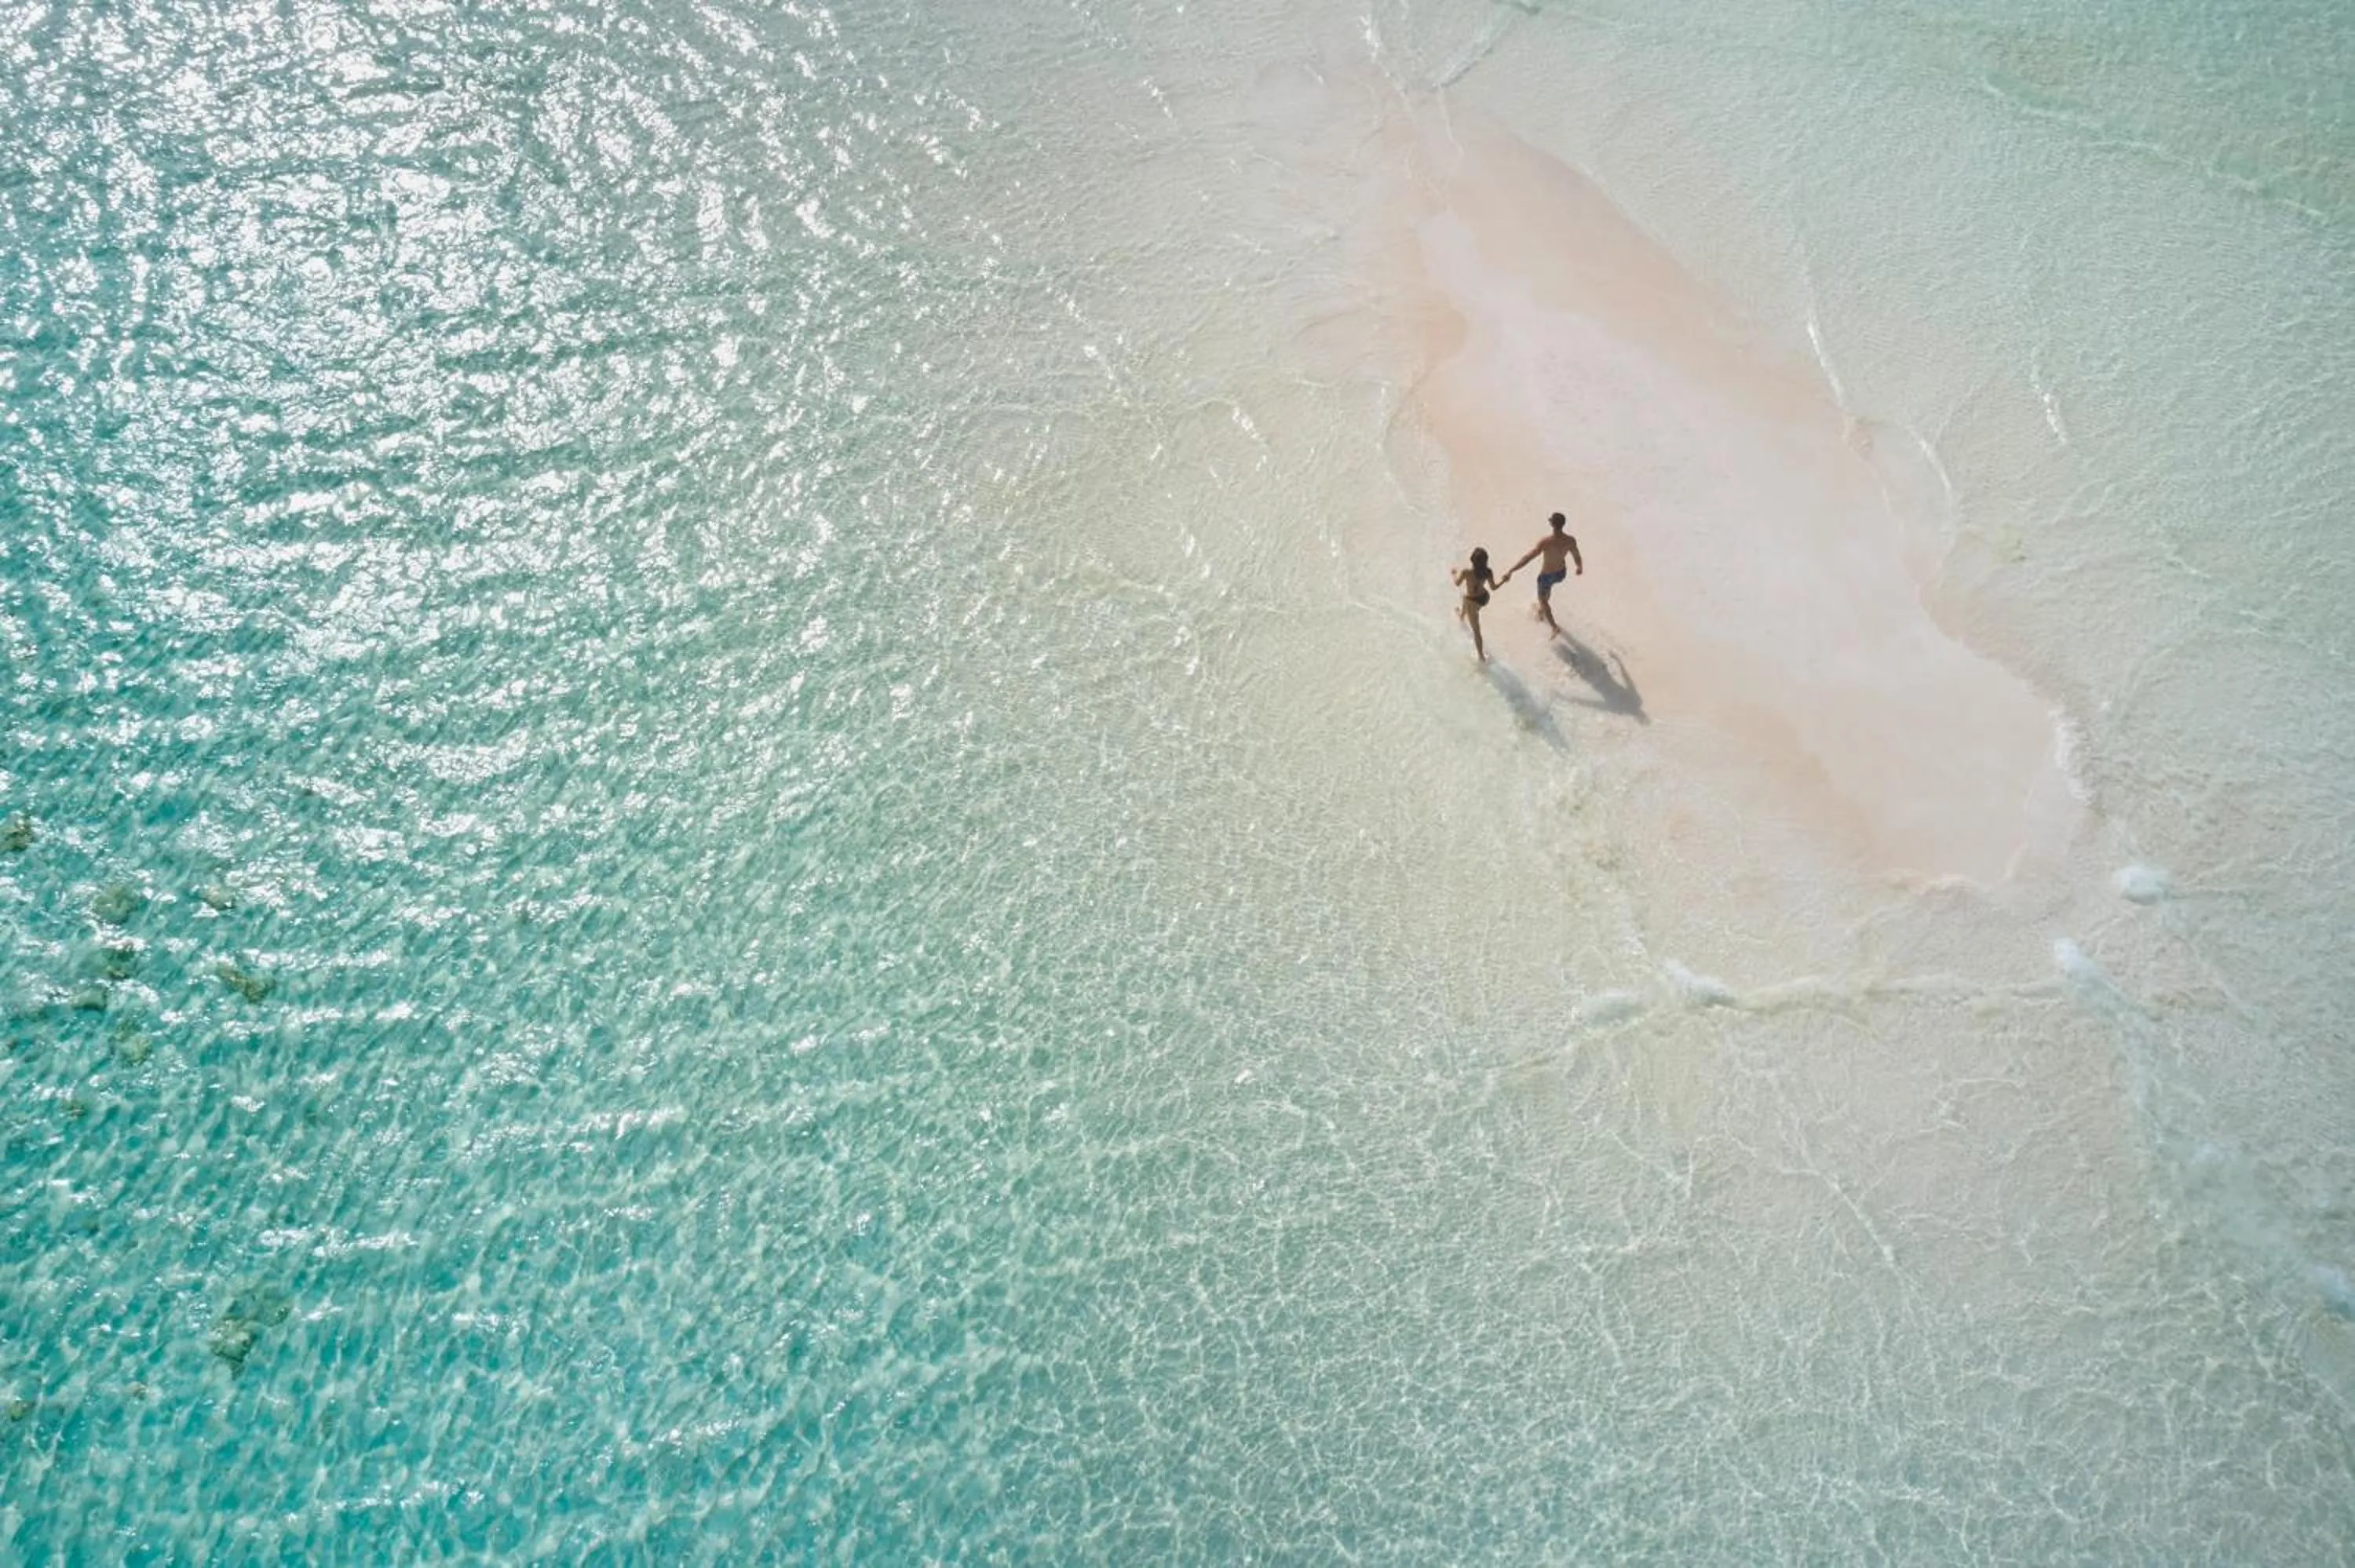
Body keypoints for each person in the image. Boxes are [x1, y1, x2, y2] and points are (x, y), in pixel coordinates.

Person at [1496, 511, 1583, 636]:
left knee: (1542, 600)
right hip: (1561, 574)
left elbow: (1528, 557)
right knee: (1546, 594)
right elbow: (1577, 556)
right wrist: (1579, 567)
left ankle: (1554, 627)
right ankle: (1541, 612)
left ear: (1552, 524)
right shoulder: (1570, 540)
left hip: (1547, 576)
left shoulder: (1546, 542)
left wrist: (1511, 570)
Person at [1452, 547, 1498, 662]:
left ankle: (1481, 656)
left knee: (1476, 630)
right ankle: (1462, 616)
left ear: (1472, 560)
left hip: (1473, 602)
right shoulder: (1488, 572)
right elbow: (1494, 587)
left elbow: (1457, 583)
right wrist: (1503, 580)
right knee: (1465, 598)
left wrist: (1454, 574)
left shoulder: (1466, 572)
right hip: (1484, 598)